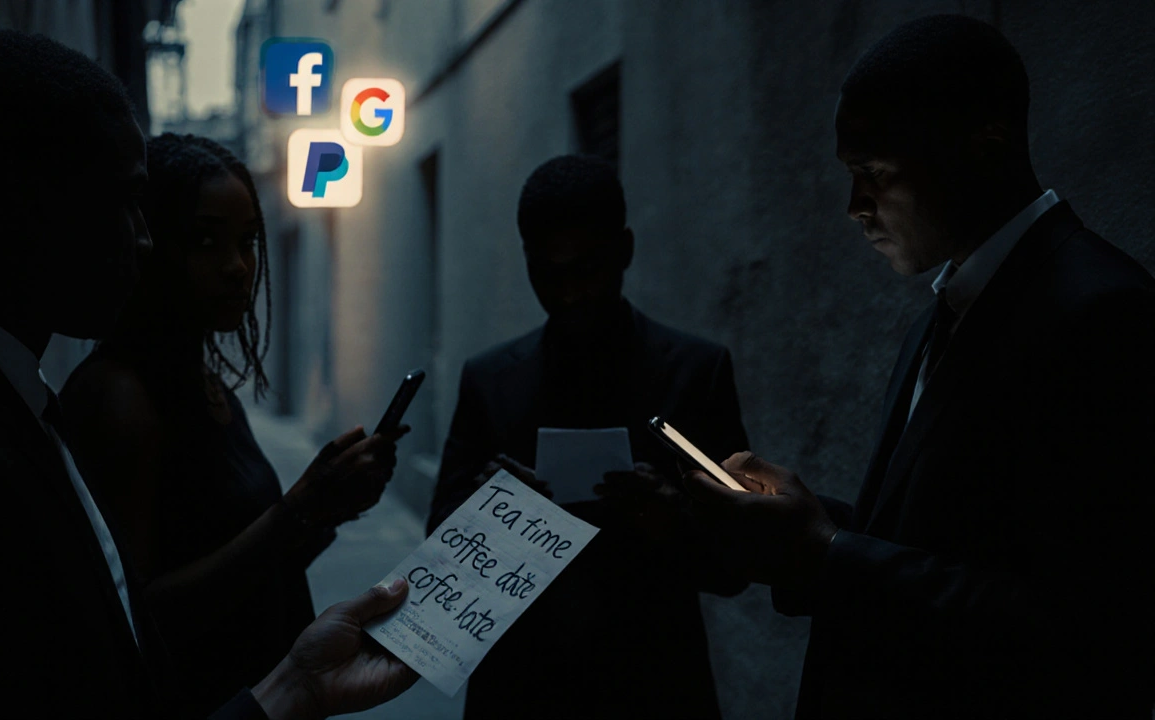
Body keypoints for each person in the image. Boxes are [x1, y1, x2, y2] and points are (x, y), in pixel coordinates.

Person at [0, 29, 415, 718]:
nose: (143, 236)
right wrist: (296, 523)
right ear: (22, 203)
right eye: (125, 200)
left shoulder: (13, 403)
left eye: (247, 242)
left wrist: (297, 676)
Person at [683, 15, 1155, 718]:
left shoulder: (1105, 313)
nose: (854, 208)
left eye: (872, 174)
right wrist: (799, 526)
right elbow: (935, 542)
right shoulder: (945, 314)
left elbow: (1094, 632)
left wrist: (829, 551)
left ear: (985, 144)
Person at [57, 131, 409, 715]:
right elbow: (137, 618)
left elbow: (248, 575)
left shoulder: (206, 383)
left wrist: (328, 509)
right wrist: (295, 511)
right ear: (151, 242)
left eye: (247, 242)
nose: (237, 267)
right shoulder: (120, 398)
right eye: (205, 241)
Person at [430, 154, 751, 719]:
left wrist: (673, 520)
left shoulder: (695, 373)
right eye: (547, 273)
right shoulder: (489, 380)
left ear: (625, 250)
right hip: (520, 688)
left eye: (587, 268)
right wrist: (489, 514)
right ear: (526, 260)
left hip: (654, 686)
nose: (570, 292)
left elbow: (736, 564)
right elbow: (440, 552)